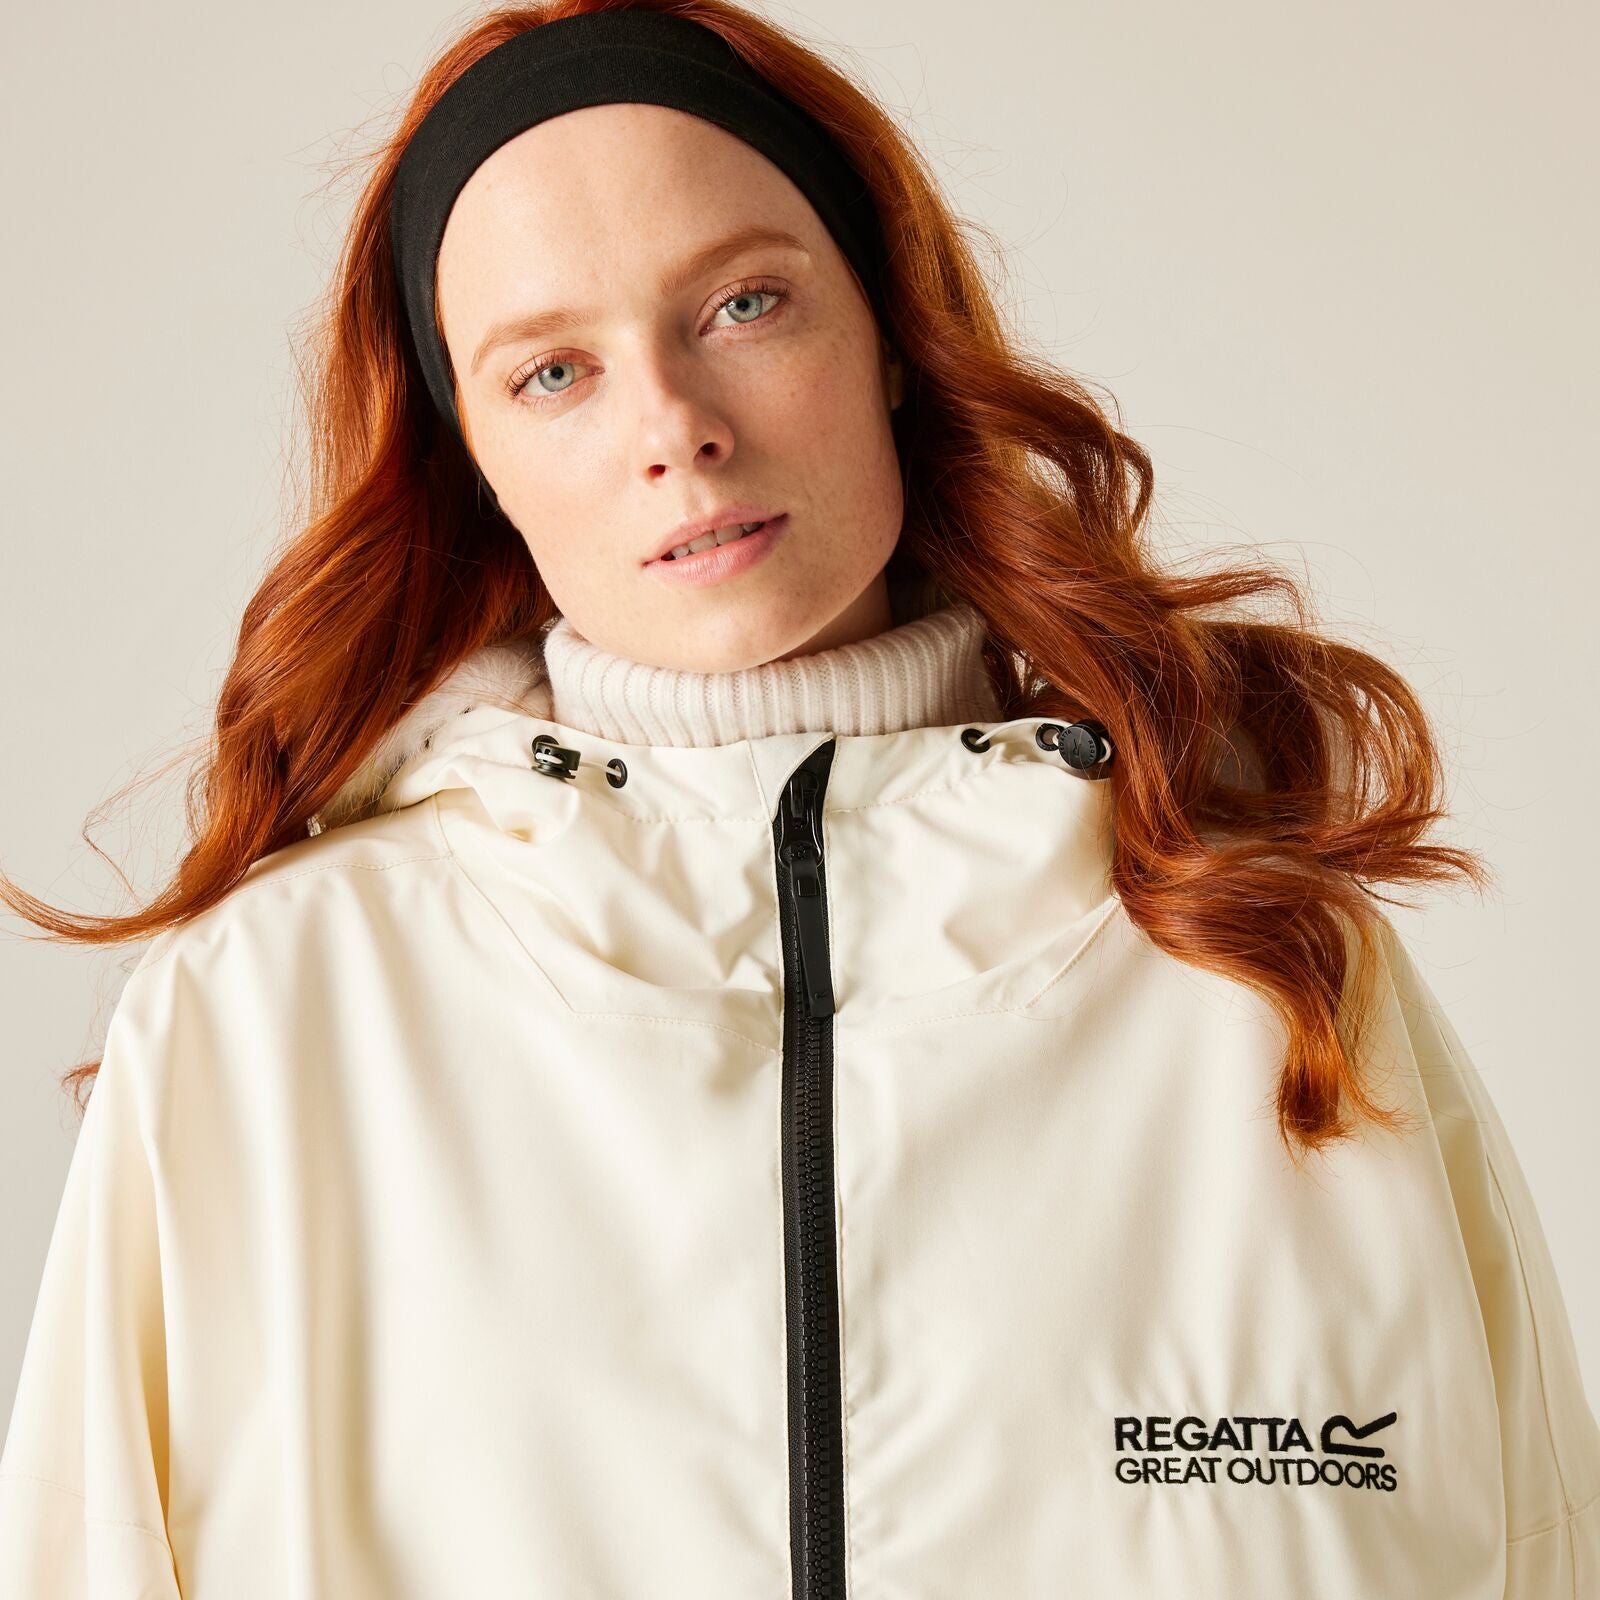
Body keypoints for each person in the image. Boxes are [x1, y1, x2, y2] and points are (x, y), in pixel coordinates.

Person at [2, 2, 1595, 1595]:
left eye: (745, 303)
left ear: (889, 331)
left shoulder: (1260, 961)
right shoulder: (269, 1018)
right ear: (470, 455)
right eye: (552, 372)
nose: (674, 429)